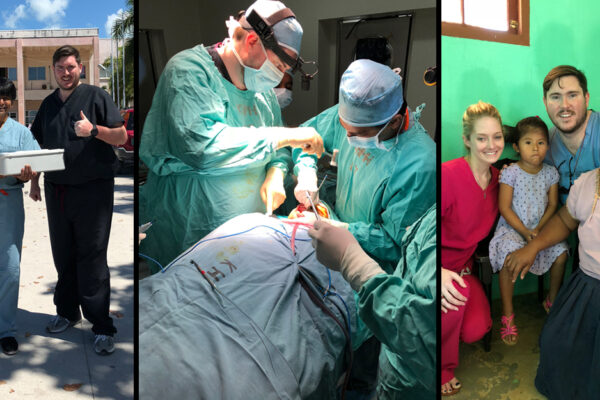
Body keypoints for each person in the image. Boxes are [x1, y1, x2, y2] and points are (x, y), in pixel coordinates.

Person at [139, 0, 324, 268]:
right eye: (279, 65)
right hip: (193, 223)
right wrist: (283, 136)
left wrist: (276, 171)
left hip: (249, 231)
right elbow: (203, 148)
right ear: (251, 40)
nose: (278, 76)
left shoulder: (260, 89)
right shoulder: (188, 72)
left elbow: (280, 152)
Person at [29, 45, 127, 355]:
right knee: (64, 254)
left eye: (71, 67)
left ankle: (101, 326)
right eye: (60, 67)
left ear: (80, 68)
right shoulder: (47, 106)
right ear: (54, 70)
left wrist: (94, 129)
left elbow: (122, 136)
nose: (66, 72)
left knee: (93, 256)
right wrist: (34, 182)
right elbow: (38, 148)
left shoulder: (97, 97)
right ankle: (67, 313)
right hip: (57, 190)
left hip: (93, 190)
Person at [293, 59, 436, 268]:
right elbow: (304, 137)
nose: (347, 136)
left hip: (371, 265)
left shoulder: (419, 166)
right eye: (345, 127)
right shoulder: (352, 112)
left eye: (358, 134)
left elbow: (396, 244)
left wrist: (341, 230)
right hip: (334, 235)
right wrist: (306, 172)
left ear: (394, 122)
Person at [308, 205, 436, 399]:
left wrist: (354, 262)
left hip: (412, 381)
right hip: (393, 362)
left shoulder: (419, 175)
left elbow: (424, 338)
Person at [504, 168, 599, 400]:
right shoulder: (588, 182)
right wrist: (533, 247)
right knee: (555, 344)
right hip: (588, 287)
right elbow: (565, 221)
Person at [441, 101, 505, 395]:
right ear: (467, 140)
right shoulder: (447, 175)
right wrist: (436, 271)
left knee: (477, 329)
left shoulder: (500, 181)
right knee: (454, 297)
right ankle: (442, 369)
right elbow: (417, 233)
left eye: (497, 137)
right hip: (433, 267)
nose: (491, 145)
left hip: (464, 269)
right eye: (482, 138)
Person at [488, 117, 568, 345]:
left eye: (541, 143)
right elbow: (504, 207)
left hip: (540, 228)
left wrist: (538, 230)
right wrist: (525, 231)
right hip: (513, 228)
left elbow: (553, 205)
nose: (536, 148)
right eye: (529, 142)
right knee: (509, 257)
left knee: (561, 252)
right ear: (516, 147)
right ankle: (507, 314)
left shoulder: (551, 173)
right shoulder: (510, 172)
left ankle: (551, 299)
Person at [0, 78, 40, 356]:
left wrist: (31, 173)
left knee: (10, 268)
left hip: (9, 203)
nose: (2, 101)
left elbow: (37, 159)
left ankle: (5, 330)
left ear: (12, 102)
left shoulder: (20, 133)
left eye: (6, 97)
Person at [542, 65, 600, 204]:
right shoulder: (544, 144)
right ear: (545, 103)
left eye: (572, 95)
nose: (564, 105)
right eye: (556, 97)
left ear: (586, 98)